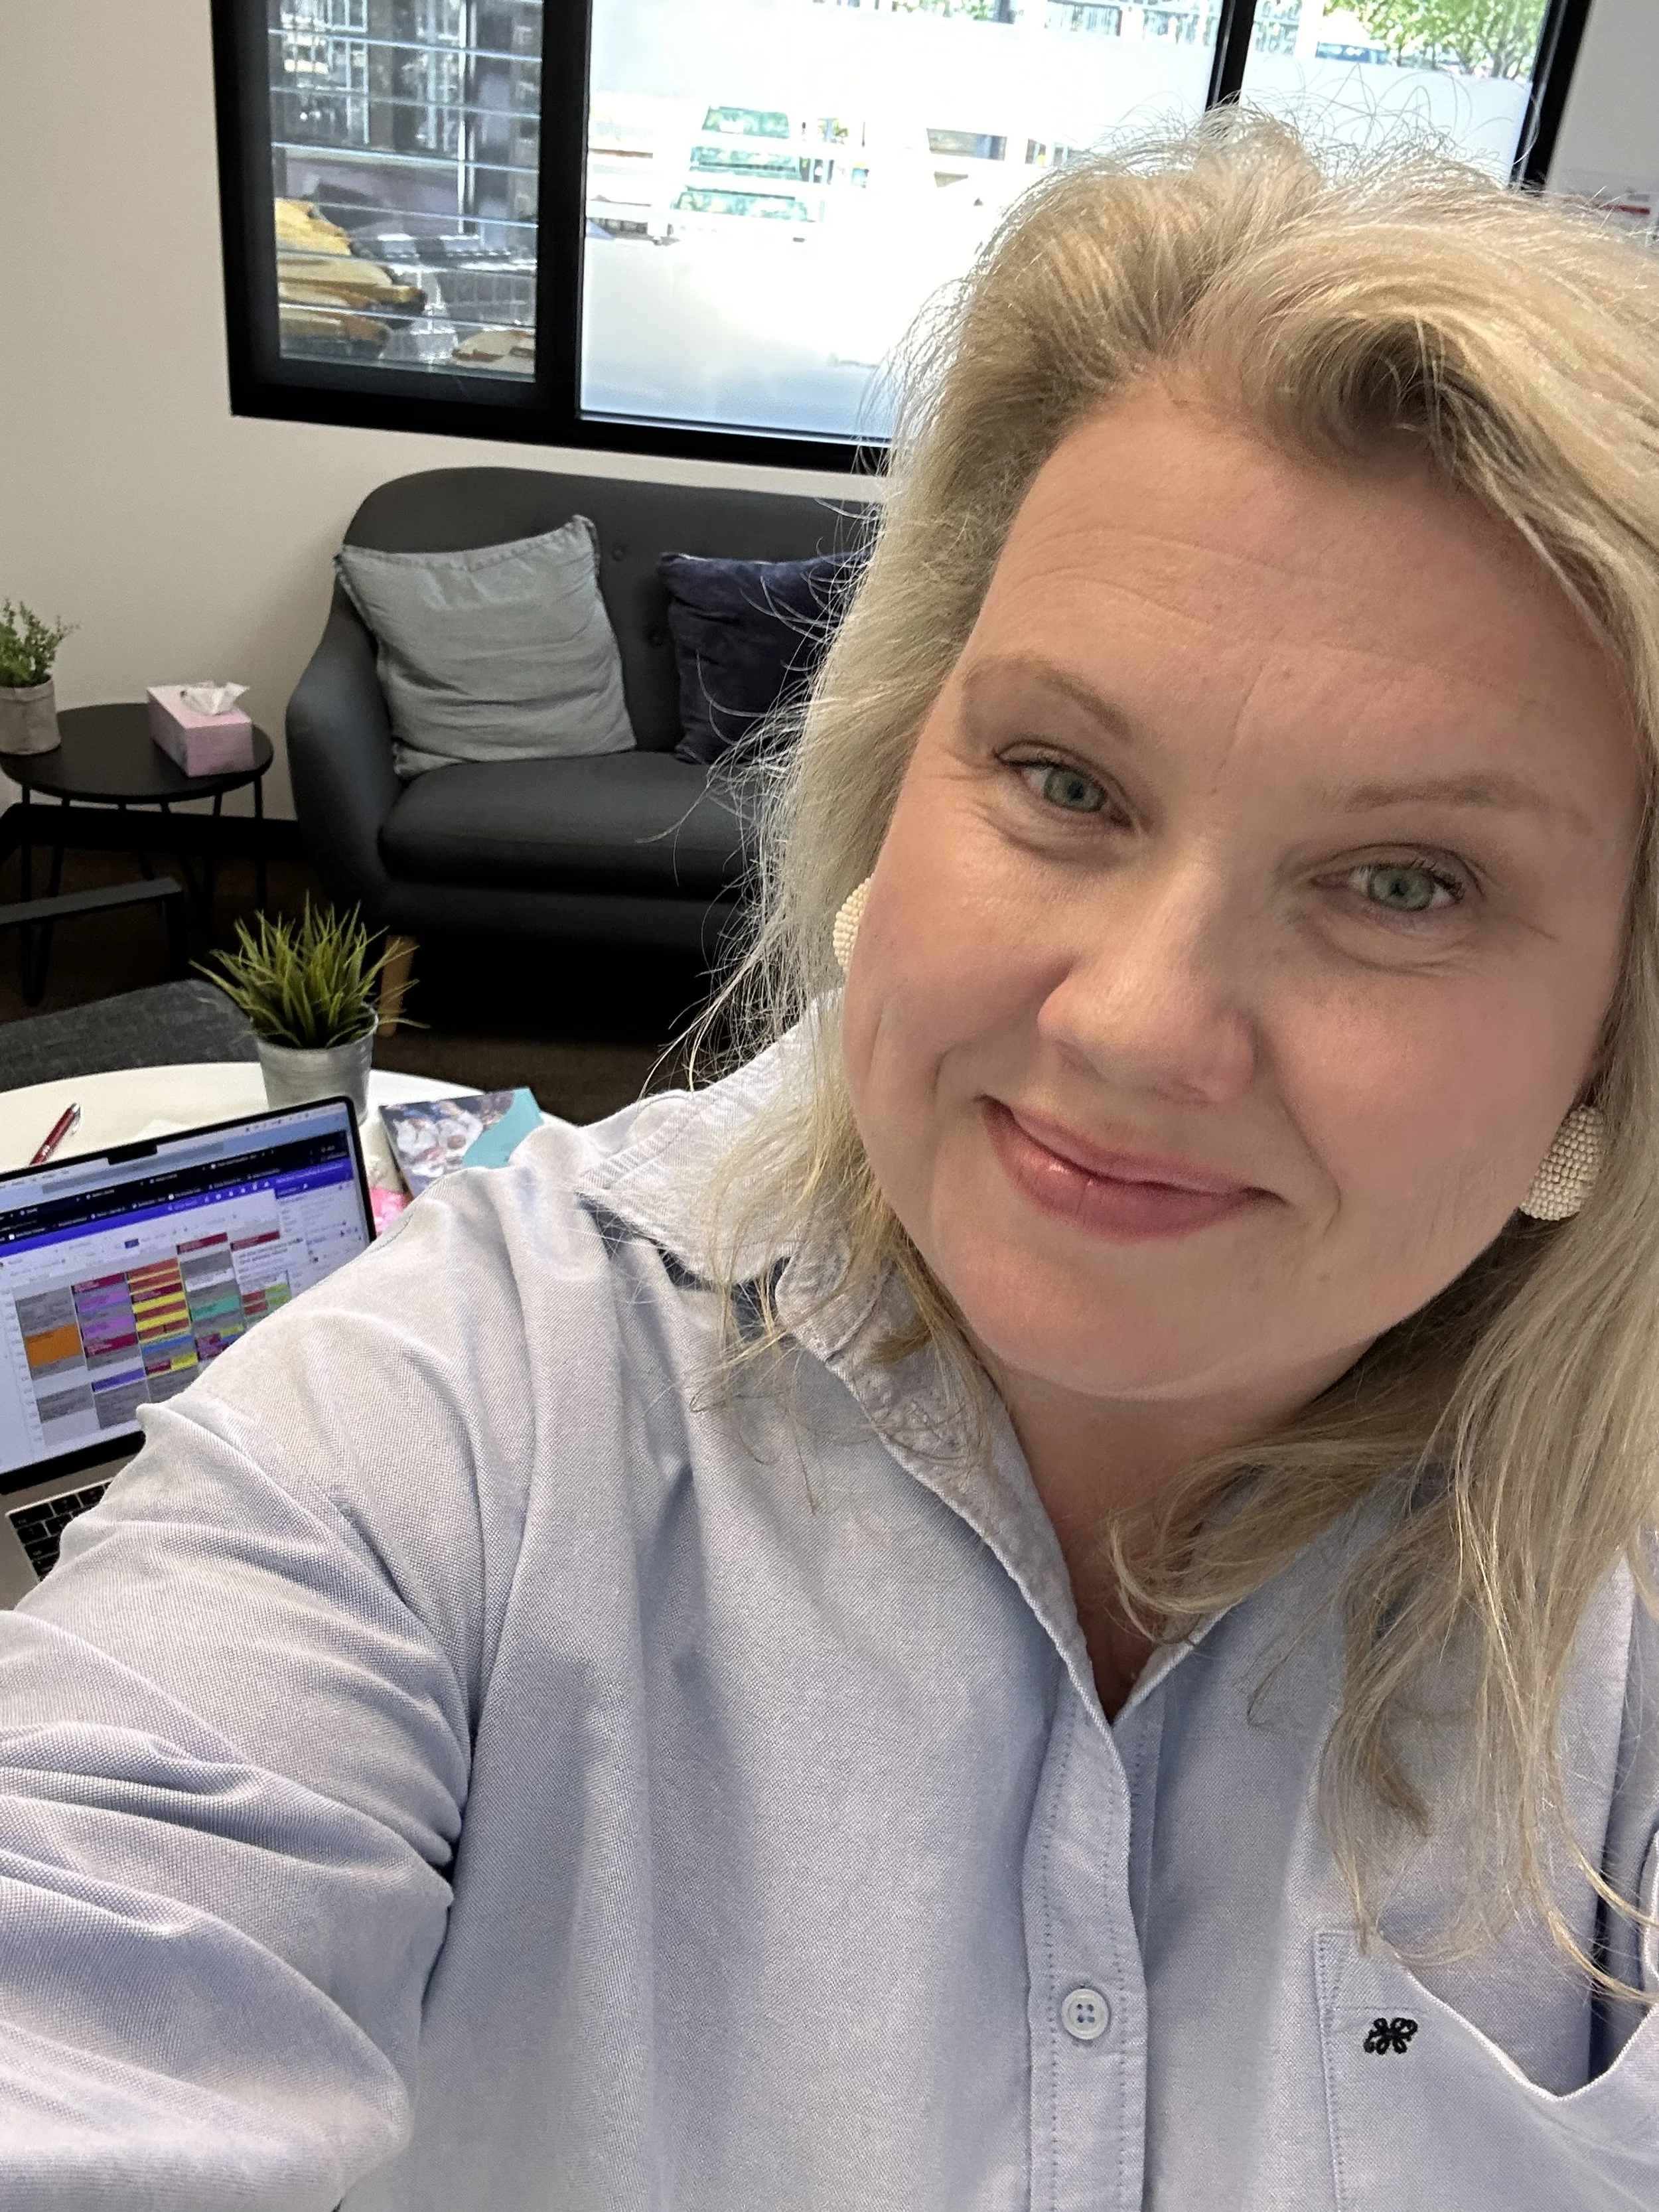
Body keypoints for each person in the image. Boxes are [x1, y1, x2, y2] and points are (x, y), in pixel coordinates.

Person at [5, 110, 1659, 2210]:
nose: (1133, 1023)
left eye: (1404, 881)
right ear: (898, 775)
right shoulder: (455, 1423)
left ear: (1616, 1020)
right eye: (1061, 776)